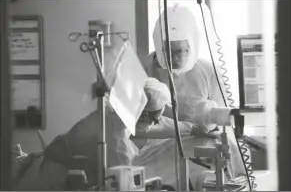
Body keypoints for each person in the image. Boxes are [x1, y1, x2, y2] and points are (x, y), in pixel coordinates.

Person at [13, 77, 216, 191]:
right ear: (140, 112)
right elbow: (124, 181)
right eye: (152, 118)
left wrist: (192, 128)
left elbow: (161, 124)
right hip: (47, 180)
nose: (155, 123)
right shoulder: (114, 135)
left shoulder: (116, 115)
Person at [141, 5, 246, 185]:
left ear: (192, 45)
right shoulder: (144, 70)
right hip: (160, 148)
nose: (173, 59)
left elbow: (224, 121)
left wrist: (209, 126)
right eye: (168, 51)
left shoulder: (209, 72)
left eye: (180, 51)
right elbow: (140, 123)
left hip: (202, 147)